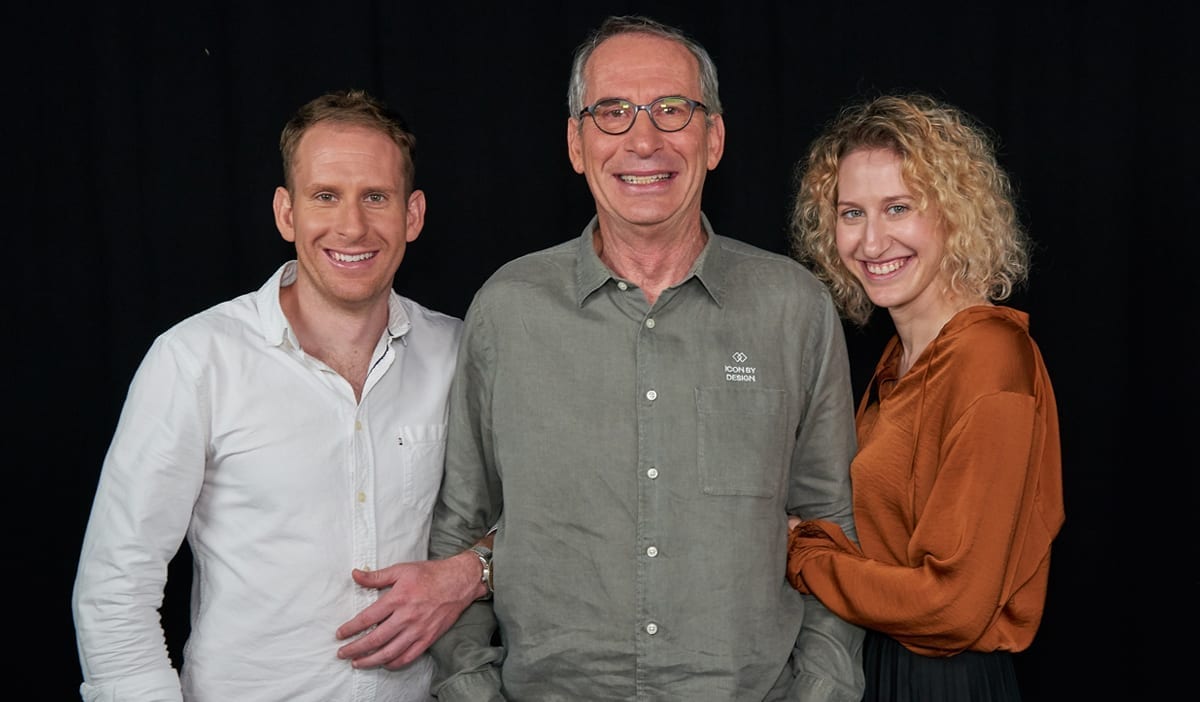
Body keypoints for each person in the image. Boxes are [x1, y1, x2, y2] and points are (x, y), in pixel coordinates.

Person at [426, 15, 866, 702]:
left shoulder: (793, 308)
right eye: (612, 112)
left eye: (671, 109)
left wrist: (820, 690)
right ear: (576, 143)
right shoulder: (506, 311)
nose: (643, 139)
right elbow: (461, 529)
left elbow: (831, 527)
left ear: (713, 137)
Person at [71, 88, 485, 702]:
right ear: (286, 213)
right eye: (326, 196)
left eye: (376, 196)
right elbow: (116, 585)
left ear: (412, 215)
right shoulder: (195, 360)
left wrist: (471, 573)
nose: (352, 224)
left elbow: (544, 519)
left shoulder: (458, 353)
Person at [784, 93, 1065, 701]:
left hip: (944, 682)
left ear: (955, 214)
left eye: (898, 208)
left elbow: (953, 605)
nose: (872, 240)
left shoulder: (987, 358)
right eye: (851, 213)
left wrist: (804, 556)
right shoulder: (898, 360)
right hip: (882, 665)